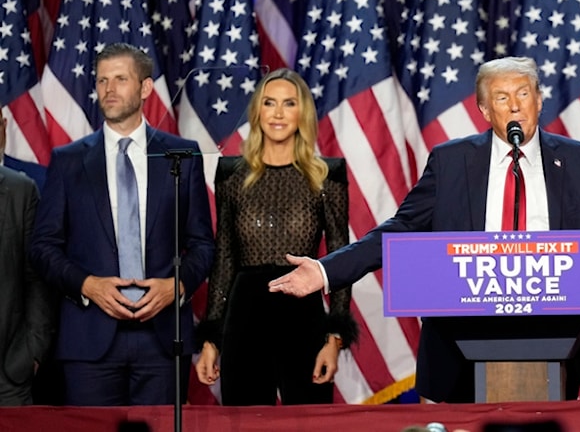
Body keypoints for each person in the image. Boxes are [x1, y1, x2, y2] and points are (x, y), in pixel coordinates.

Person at [268, 56, 580, 402]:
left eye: (524, 94)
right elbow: (399, 231)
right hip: (467, 329)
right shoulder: (452, 162)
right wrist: (327, 272)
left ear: (540, 101)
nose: (515, 104)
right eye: (502, 97)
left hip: (569, 328)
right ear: (485, 110)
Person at [30, 43, 215, 405]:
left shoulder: (182, 154)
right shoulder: (68, 161)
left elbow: (203, 244)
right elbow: (42, 246)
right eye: (101, 80)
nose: (109, 90)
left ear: (146, 88)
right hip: (88, 340)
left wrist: (176, 286)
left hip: (162, 338)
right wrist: (88, 284)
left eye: (120, 79)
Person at [194, 69, 357, 405]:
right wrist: (211, 338)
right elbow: (224, 257)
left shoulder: (327, 175)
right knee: (245, 424)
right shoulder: (231, 175)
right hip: (245, 315)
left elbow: (340, 257)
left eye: (289, 103)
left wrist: (335, 338)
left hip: (303, 317)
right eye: (269, 103)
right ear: (258, 112)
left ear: (303, 114)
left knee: (309, 425)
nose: (278, 113)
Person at [0, 115, 56, 405]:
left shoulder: (23, 191)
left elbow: (37, 277)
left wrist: (32, 352)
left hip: (9, 373)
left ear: (4, 129)